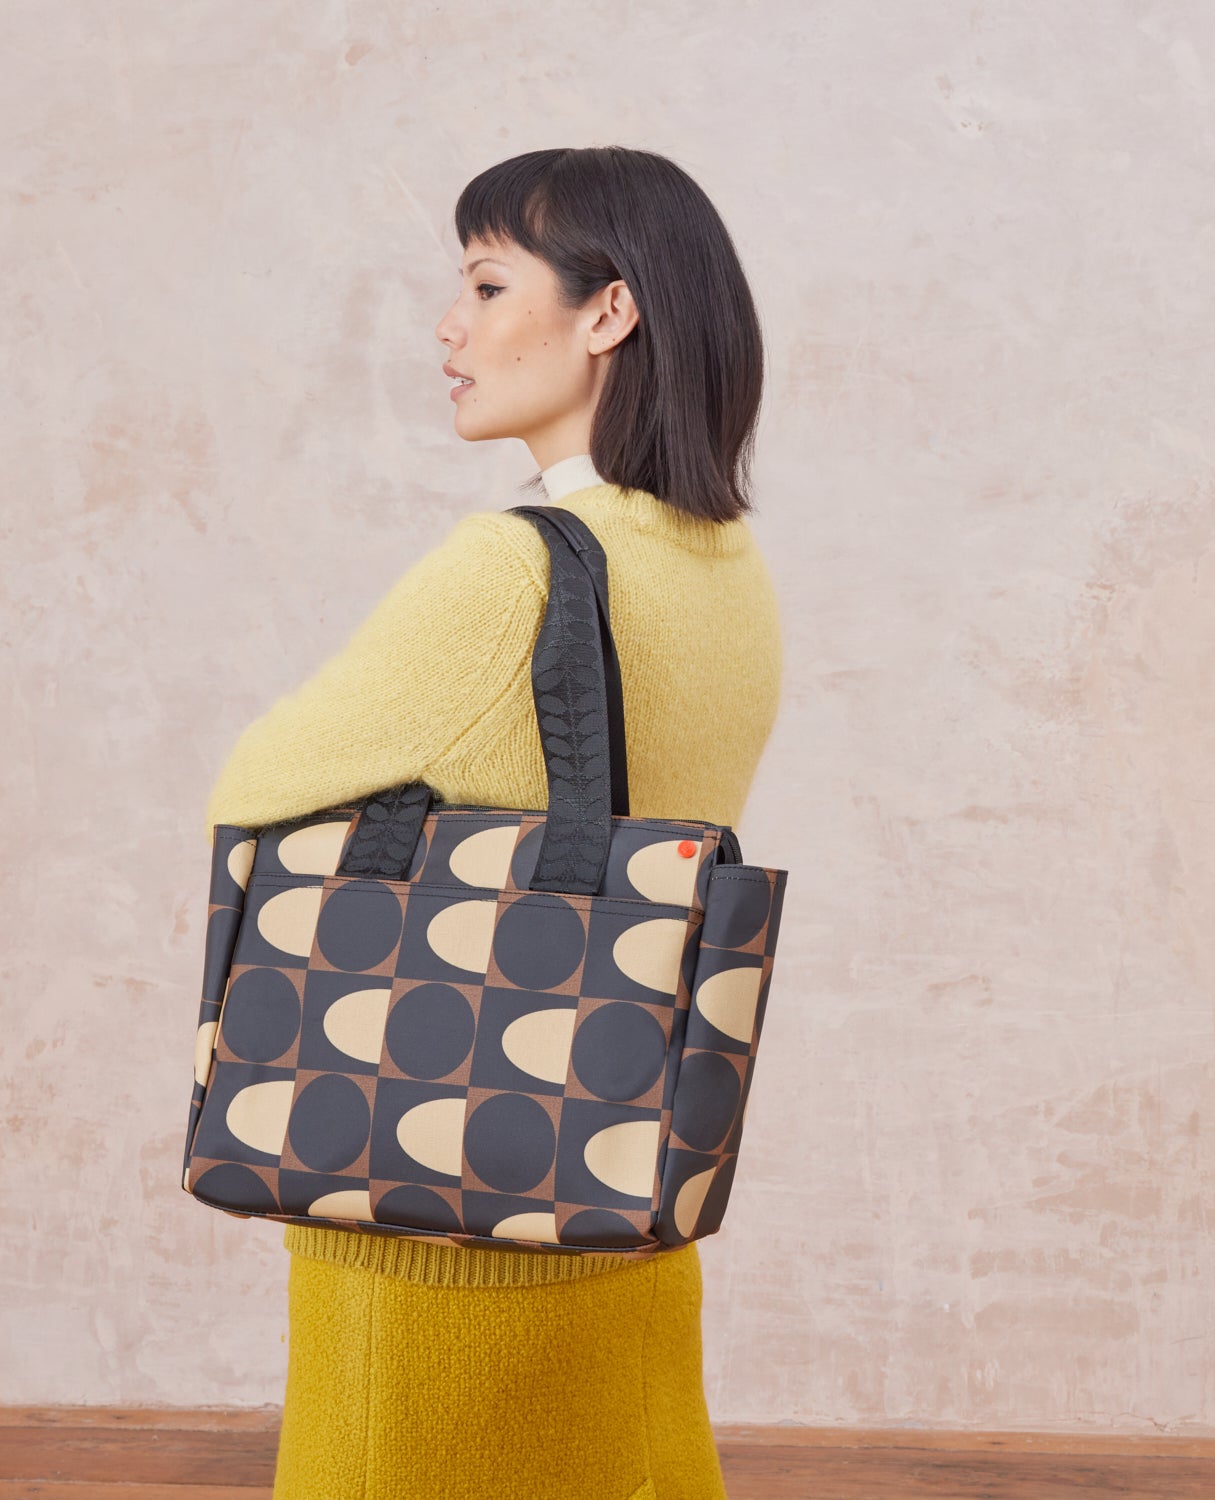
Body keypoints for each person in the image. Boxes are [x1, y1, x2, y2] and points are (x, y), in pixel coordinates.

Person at [201, 146, 784, 1500]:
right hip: (619, 1190)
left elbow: (254, 790)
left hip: (438, 1223)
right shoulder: (726, 566)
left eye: (484, 282)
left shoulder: (509, 569)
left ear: (607, 314)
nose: (449, 329)